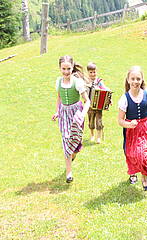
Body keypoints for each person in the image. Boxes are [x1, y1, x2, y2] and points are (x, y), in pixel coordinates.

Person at [52, 55, 90, 183]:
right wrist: (57, 112)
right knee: (66, 140)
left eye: (68, 69)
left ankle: (73, 153)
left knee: (76, 141)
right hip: (64, 113)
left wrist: (83, 114)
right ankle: (69, 172)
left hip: (76, 113)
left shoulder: (77, 82)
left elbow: (87, 101)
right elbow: (59, 98)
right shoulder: (58, 81)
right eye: (63, 69)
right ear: (60, 68)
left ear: (72, 68)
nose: (66, 72)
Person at [85, 62, 110, 144]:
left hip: (99, 106)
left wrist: (109, 97)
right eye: (91, 72)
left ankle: (98, 137)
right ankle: (92, 135)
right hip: (89, 106)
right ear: (88, 72)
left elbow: (105, 89)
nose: (93, 74)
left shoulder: (99, 81)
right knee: (91, 121)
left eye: (94, 72)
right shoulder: (86, 82)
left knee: (99, 121)